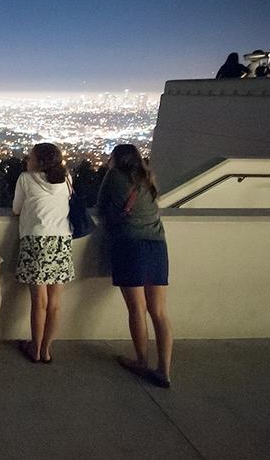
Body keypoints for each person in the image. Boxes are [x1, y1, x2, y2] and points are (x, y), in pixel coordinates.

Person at [97, 144, 173, 388]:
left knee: (137, 309)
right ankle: (164, 369)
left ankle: (142, 361)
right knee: (159, 312)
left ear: (116, 159)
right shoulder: (147, 177)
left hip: (129, 245)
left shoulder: (114, 176)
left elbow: (101, 208)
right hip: (158, 246)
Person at [12, 143, 73, 364]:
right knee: (55, 302)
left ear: (38, 162)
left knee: (39, 302)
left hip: (35, 240)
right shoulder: (67, 179)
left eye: (30, 157)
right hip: (61, 241)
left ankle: (35, 349)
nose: (27, 160)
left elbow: (16, 209)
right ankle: (46, 350)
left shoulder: (25, 179)